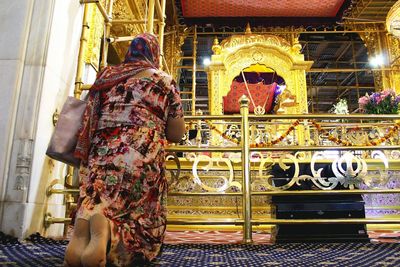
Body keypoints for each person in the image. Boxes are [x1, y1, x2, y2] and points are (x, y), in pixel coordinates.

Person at [64, 33, 185, 267]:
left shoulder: (108, 75)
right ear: (153, 53)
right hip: (139, 151)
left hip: (100, 150)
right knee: (135, 204)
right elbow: (176, 133)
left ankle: (88, 224)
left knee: (98, 197)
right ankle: (111, 234)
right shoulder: (163, 80)